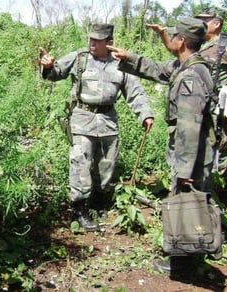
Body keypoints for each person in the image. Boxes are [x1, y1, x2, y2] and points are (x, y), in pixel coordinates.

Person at [107, 17, 217, 271]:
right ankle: (188, 259)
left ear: (181, 42)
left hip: (193, 157)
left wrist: (184, 172)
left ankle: (183, 265)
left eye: (173, 35)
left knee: (186, 204)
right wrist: (128, 57)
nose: (170, 38)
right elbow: (157, 70)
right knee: (189, 205)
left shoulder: (190, 76)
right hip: (195, 155)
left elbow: (189, 129)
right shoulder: (188, 65)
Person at [39, 23, 154, 232]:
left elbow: (134, 92)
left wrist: (145, 114)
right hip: (82, 118)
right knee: (80, 163)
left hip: (108, 120)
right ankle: (79, 208)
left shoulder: (120, 62)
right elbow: (56, 72)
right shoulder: (79, 57)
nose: (92, 43)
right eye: (90, 39)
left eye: (97, 41)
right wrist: (47, 66)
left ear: (109, 42)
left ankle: (100, 202)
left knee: (107, 164)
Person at [147, 6, 227, 174]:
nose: (200, 22)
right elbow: (178, 51)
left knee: (216, 145)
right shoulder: (199, 43)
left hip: (215, 106)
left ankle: (214, 187)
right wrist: (163, 34)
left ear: (216, 23)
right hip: (196, 101)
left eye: (204, 20)